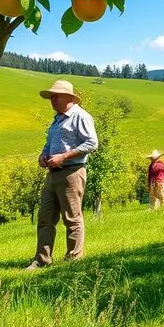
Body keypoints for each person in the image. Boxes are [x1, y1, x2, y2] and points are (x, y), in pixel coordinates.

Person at [26, 80, 98, 270]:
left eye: (56, 96)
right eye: (51, 97)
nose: (53, 99)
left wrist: (64, 156)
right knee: (45, 218)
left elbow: (92, 143)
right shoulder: (57, 119)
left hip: (72, 172)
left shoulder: (80, 116)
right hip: (53, 174)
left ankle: (74, 259)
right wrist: (44, 154)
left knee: (72, 218)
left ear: (69, 97)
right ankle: (42, 260)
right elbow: (49, 143)